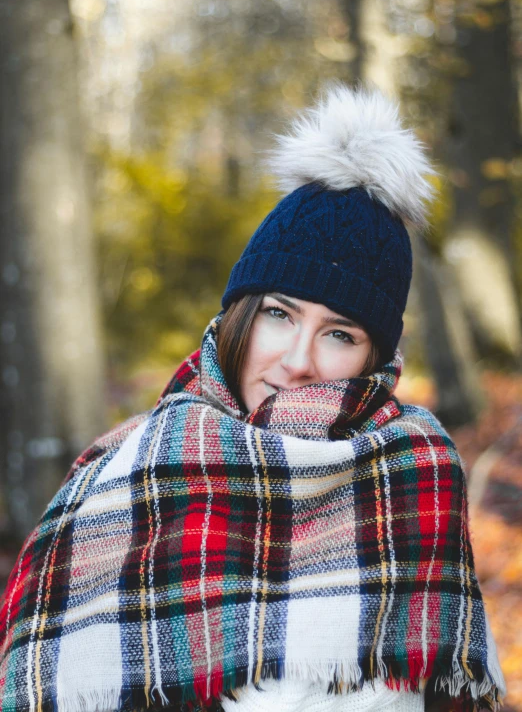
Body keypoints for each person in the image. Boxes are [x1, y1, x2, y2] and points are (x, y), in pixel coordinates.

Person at [0, 85, 505, 712]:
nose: (298, 362)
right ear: (240, 315)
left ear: (375, 359)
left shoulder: (416, 468)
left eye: (340, 333)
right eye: (279, 314)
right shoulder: (130, 475)